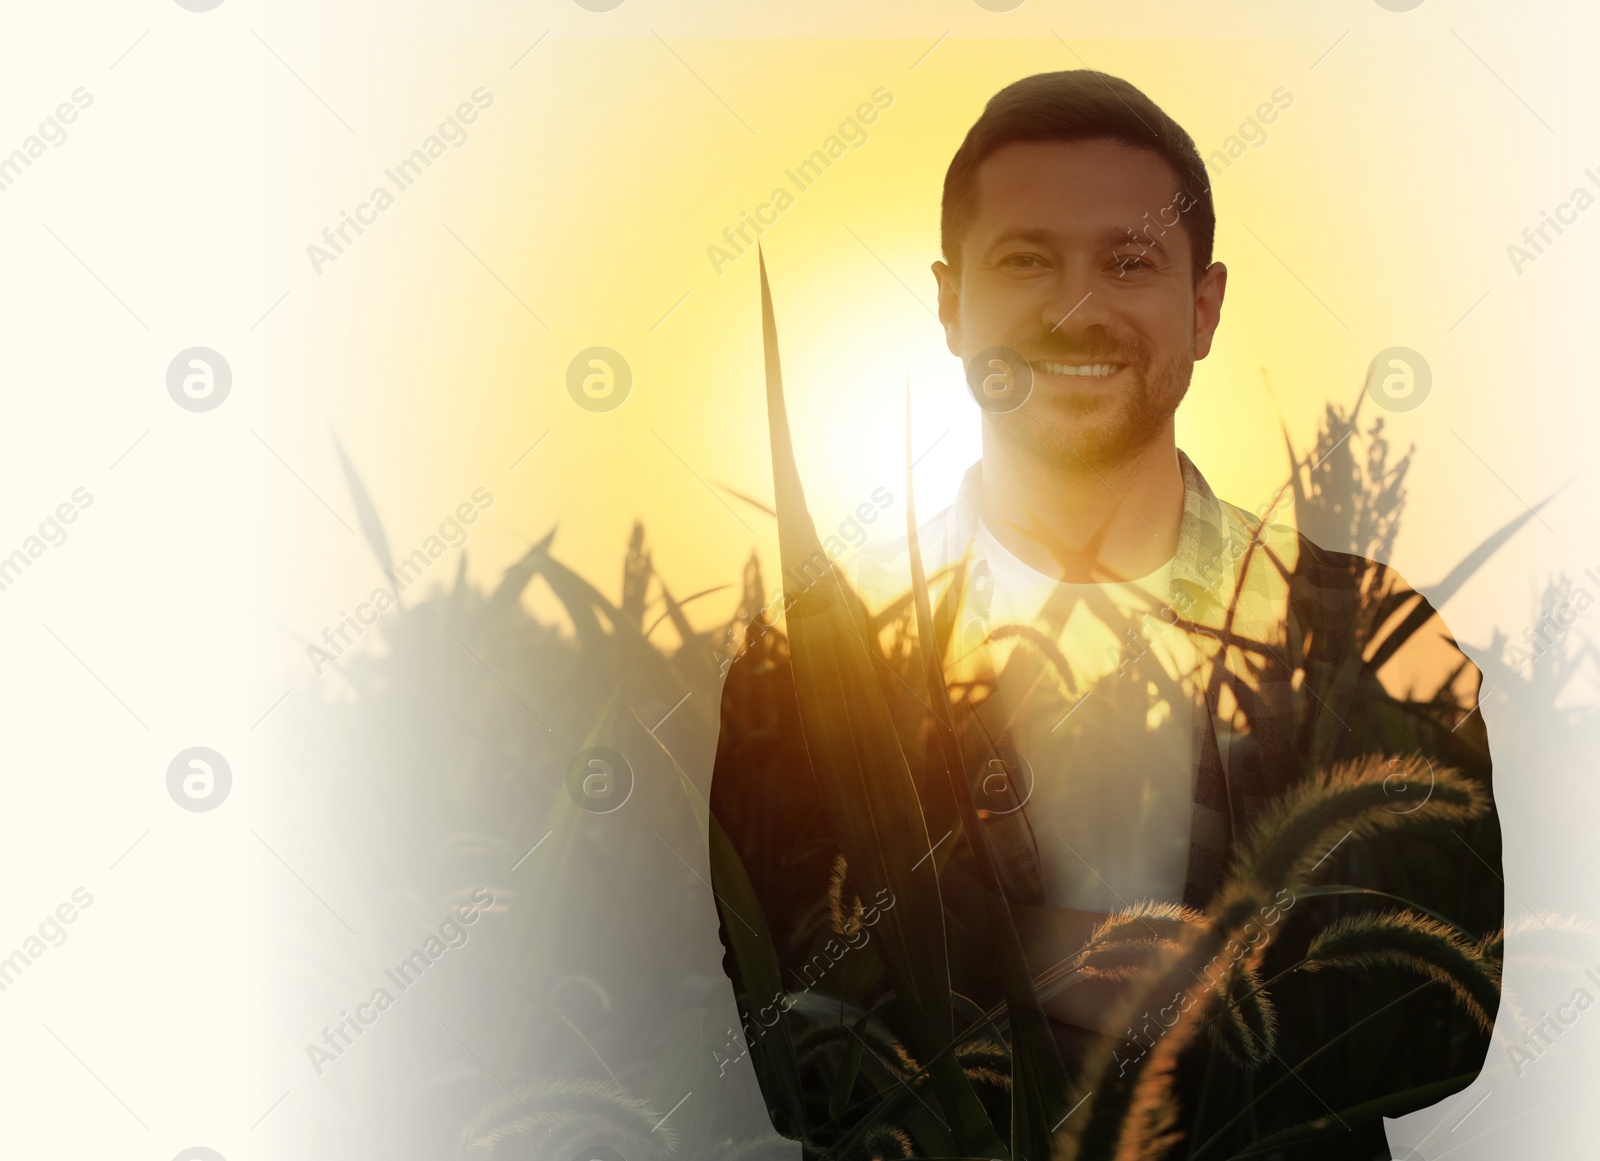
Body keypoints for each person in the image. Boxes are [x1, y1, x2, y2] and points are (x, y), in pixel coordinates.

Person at [708, 70, 1501, 1160]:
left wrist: (1183, 994)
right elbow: (792, 1054)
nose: (1075, 307)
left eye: (1127, 262)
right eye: (1026, 260)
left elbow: (1442, 1019)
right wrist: (1053, 957)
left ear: (1204, 306)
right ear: (949, 306)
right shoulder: (808, 663)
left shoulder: (1374, 638)